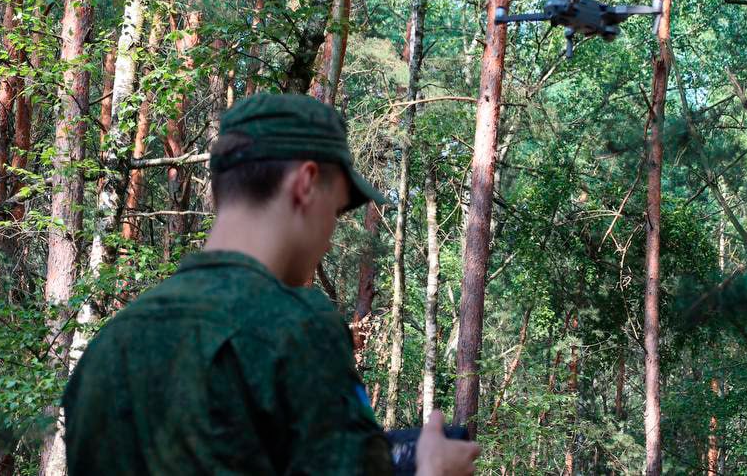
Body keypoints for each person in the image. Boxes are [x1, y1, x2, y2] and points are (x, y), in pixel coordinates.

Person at [62, 92, 480, 475]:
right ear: (305, 184)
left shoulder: (105, 351)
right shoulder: (297, 329)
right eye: (335, 209)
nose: (331, 230)